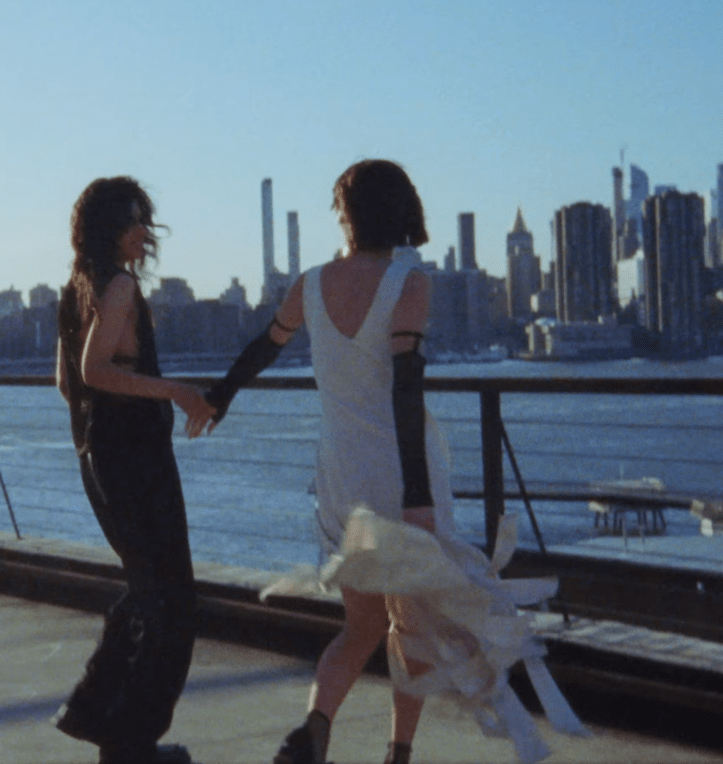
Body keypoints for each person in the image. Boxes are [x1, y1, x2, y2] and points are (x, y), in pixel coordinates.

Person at [206, 160, 586, 764]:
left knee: (358, 625)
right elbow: (405, 388)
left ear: (347, 216)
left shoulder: (309, 284)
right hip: (403, 477)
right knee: (411, 627)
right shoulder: (409, 279)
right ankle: (398, 754)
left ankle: (312, 729)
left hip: (340, 478)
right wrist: (418, 498)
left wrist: (218, 396)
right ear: (402, 208)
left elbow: (264, 348)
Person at [53, 176, 215, 764]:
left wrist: (101, 429)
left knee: (149, 590)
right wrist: (172, 390)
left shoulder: (77, 288)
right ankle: (129, 740)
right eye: (137, 221)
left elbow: (66, 382)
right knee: (174, 600)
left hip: (99, 453)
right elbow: (96, 369)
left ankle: (100, 713)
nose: (146, 232)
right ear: (115, 228)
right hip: (136, 455)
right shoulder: (118, 285)